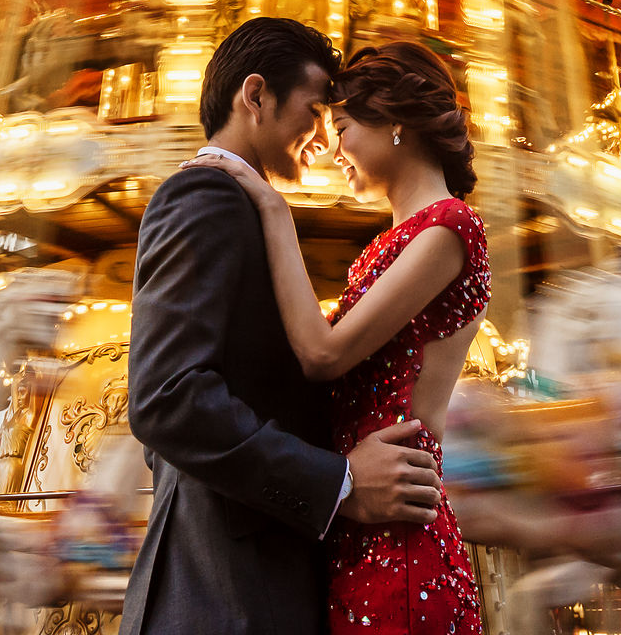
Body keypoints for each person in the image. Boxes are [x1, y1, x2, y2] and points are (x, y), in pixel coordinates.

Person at [124, 19, 447, 635]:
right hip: (224, 586)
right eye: (316, 110)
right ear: (256, 97)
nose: (326, 137)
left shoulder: (243, 207)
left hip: (253, 572)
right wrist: (340, 482)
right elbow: (167, 398)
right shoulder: (203, 197)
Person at [199, 41, 491, 635]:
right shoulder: (395, 240)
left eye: (344, 127)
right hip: (361, 518)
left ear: (398, 123)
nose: (333, 149)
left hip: (401, 547)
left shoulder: (449, 227)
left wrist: (273, 210)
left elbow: (323, 354)